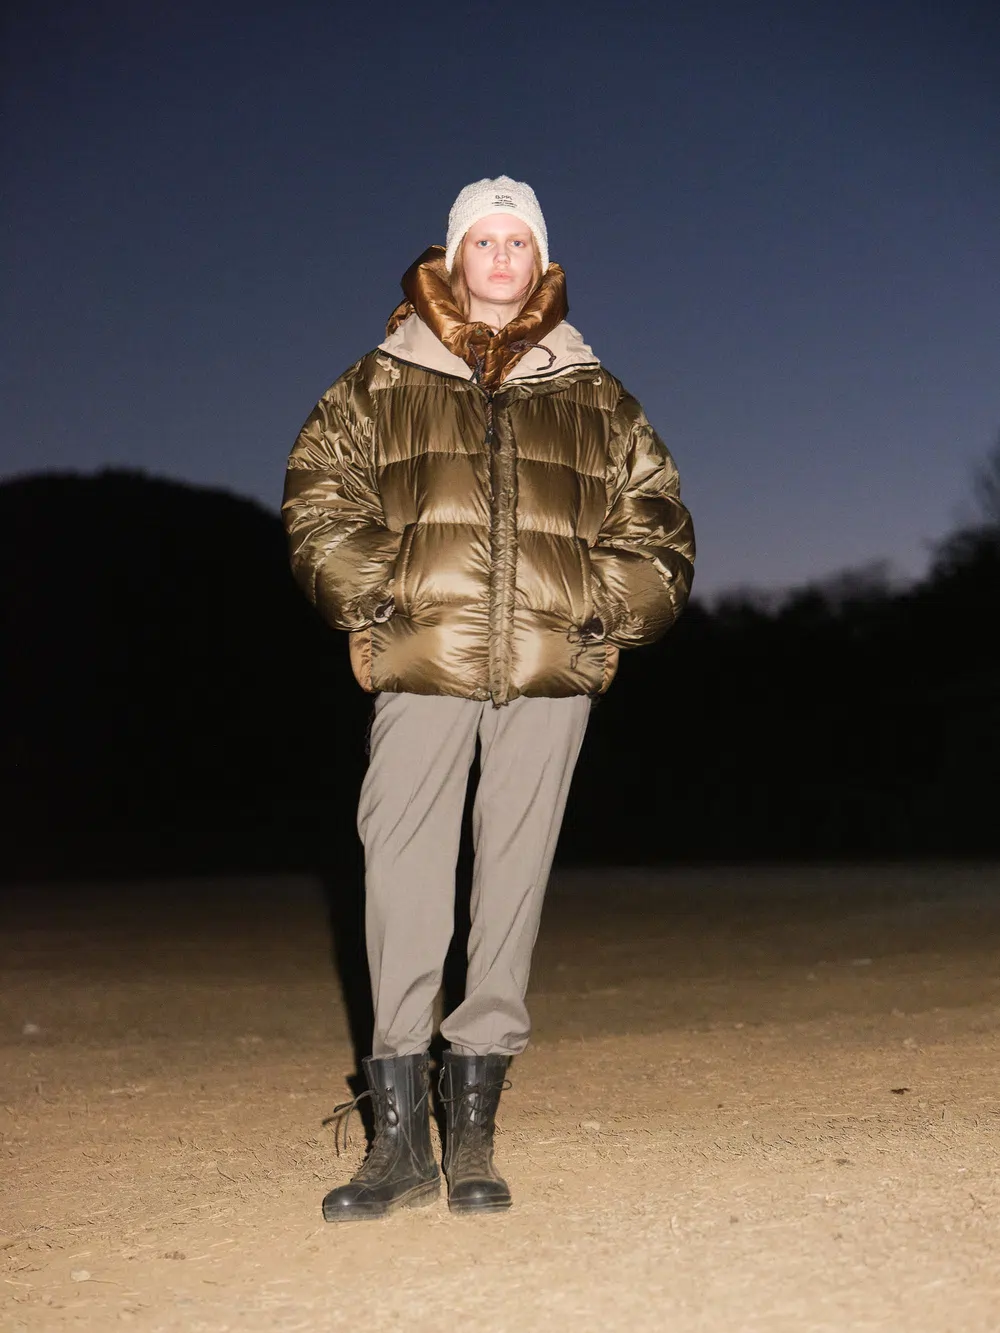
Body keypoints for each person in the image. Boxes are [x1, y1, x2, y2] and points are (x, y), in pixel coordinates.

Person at [282, 176, 695, 1221]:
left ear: (540, 262)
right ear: (454, 256)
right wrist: (380, 596)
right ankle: (397, 1141)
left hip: (548, 666)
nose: (501, 256)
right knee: (398, 862)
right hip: (423, 654)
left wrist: (597, 610)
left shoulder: (595, 391)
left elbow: (657, 520)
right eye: (484, 240)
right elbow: (319, 494)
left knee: (512, 877)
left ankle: (471, 1132)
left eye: (519, 241)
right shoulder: (382, 377)